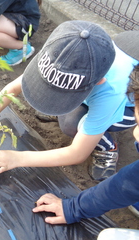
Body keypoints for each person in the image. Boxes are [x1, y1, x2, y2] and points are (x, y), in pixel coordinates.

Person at [0, 22, 139, 182]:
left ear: (97, 82)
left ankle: (107, 148)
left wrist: (19, 158)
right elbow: (13, 88)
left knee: (72, 125)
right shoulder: (63, 51)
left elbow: (77, 153)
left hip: (127, 107)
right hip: (108, 76)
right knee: (67, 117)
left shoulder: (111, 94)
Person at [32, 64, 139, 226]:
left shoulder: (110, 93)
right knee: (69, 120)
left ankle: (108, 149)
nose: (135, 133)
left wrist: (73, 208)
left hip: (116, 107)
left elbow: (125, 185)